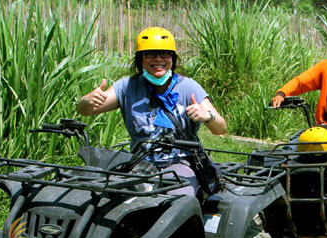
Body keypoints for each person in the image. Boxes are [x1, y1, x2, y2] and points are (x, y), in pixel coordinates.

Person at [77, 27, 227, 196]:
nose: (158, 59)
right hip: (139, 164)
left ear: (173, 58)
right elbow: (87, 110)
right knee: (109, 196)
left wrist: (208, 117)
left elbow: (220, 128)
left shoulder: (188, 87)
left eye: (165, 53)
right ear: (140, 58)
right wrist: (86, 101)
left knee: (177, 199)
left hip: (179, 163)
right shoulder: (128, 86)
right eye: (150, 54)